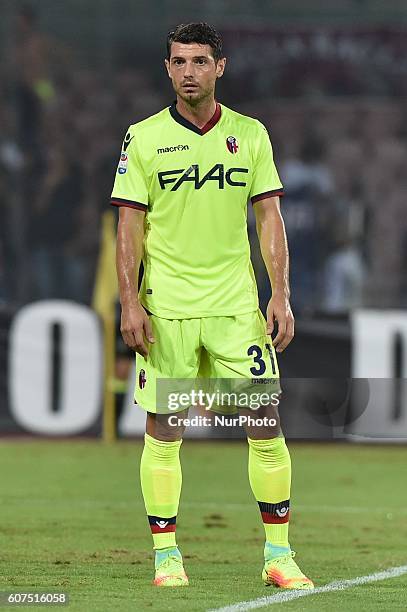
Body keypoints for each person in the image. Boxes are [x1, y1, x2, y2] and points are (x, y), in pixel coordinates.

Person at [111, 22, 313, 590]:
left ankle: (278, 554)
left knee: (264, 427)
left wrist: (282, 294)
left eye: (200, 61)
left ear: (219, 67)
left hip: (234, 308)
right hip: (168, 307)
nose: (188, 72)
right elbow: (129, 223)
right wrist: (130, 302)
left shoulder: (250, 135)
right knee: (165, 429)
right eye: (178, 62)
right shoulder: (144, 137)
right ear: (167, 68)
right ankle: (167, 557)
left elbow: (269, 216)